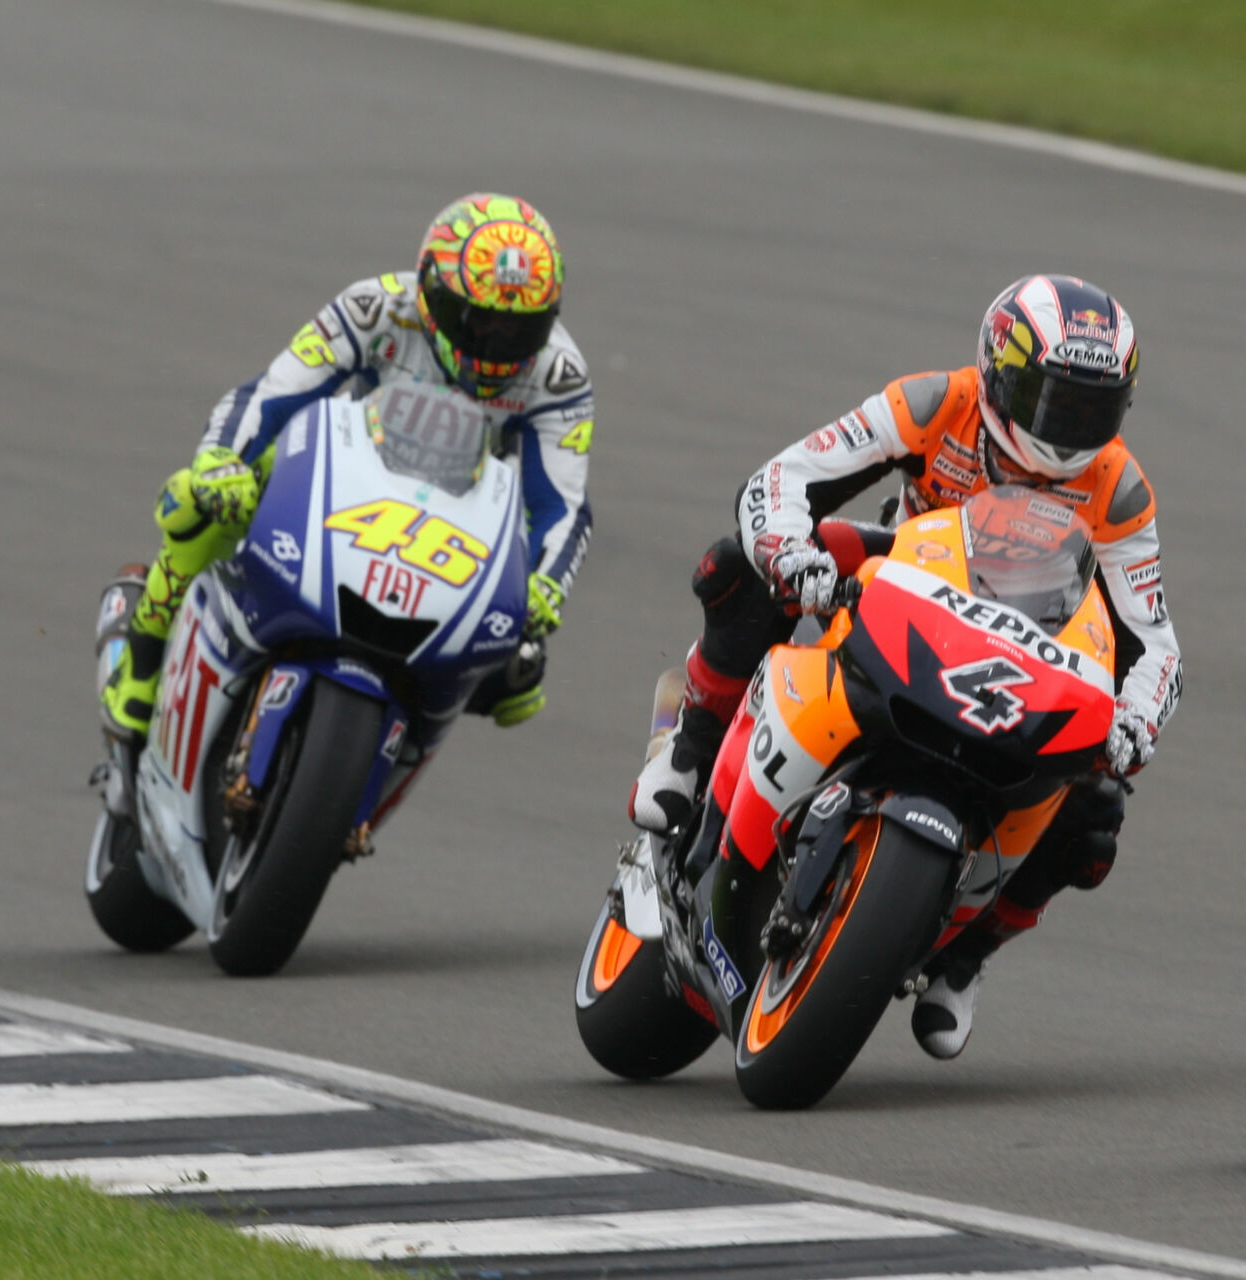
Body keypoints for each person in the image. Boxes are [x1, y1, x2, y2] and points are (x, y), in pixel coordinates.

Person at [629, 273, 1182, 1058]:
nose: (1068, 430)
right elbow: (782, 478)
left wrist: (1136, 722)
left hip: (1027, 656)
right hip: (901, 590)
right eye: (1053, 400)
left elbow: (1155, 640)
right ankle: (689, 752)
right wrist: (790, 553)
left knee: (1096, 808)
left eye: (1093, 410)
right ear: (999, 372)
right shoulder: (934, 403)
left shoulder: (1119, 488)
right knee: (739, 569)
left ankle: (966, 954)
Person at [100, 193, 595, 737]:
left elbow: (560, 503)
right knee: (199, 501)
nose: (497, 344)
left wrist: (545, 587)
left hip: (461, 516)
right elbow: (273, 395)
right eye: (477, 320)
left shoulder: (558, 376)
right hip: (344, 475)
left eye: (519, 328)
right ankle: (143, 664)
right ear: (431, 291)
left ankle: (399, 740)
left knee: (518, 675)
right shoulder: (375, 308)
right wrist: (222, 462)